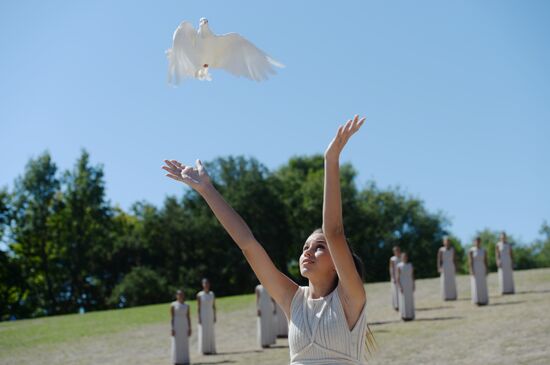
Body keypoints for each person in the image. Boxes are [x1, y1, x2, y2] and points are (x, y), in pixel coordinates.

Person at [162, 115, 374, 364]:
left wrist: (331, 159)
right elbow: (248, 244)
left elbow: (334, 232)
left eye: (319, 247)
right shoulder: (292, 299)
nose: (307, 251)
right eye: (305, 246)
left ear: (339, 259)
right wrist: (207, 190)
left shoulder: (350, 297)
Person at [170, 290, 191, 365]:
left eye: (182, 294)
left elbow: (188, 317)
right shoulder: (173, 305)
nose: (181, 296)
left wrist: (189, 328)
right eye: (179, 295)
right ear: (176, 296)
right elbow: (172, 317)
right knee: (177, 342)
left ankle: (184, 360)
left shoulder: (187, 305)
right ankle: (176, 360)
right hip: (177, 324)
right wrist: (172, 328)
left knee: (184, 342)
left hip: (184, 324)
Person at [197, 278, 216, 354]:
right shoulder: (199, 295)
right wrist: (199, 317)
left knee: (210, 331)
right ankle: (204, 350)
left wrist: (215, 315)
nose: (206, 285)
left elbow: (214, 306)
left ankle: (211, 348)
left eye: (207, 283)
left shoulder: (212, 294)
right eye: (205, 283)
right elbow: (198, 307)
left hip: (210, 314)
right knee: (203, 331)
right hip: (203, 314)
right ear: (202, 285)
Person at [469, 237, 489, 305]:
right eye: (476, 241)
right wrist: (471, 270)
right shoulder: (471, 250)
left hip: (482, 267)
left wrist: (486, 269)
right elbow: (470, 261)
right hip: (475, 267)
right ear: (474, 242)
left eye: (479, 241)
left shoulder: (484, 250)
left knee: (482, 284)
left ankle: (483, 300)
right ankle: (476, 300)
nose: (477, 243)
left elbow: (485, 260)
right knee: (475, 284)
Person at [396, 252, 415, 321]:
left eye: (406, 257)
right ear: (401, 258)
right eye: (403, 257)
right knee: (403, 300)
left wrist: (413, 284)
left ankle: (410, 315)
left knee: (410, 300)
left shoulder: (410, 265)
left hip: (409, 283)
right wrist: (400, 286)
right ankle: (404, 316)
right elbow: (397, 277)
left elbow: (412, 275)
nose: (405, 258)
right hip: (403, 284)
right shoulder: (399, 266)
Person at [437, 236, 457, 300]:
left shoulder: (452, 249)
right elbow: (439, 259)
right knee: (444, 281)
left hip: (451, 265)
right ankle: (445, 296)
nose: (447, 242)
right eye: (446, 241)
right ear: (444, 242)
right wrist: (439, 267)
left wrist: (455, 266)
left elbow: (454, 259)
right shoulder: (441, 250)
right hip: (444, 266)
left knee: (451, 281)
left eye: (448, 241)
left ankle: (452, 296)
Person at [389, 246, 402, 311]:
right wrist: (393, 277)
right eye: (395, 251)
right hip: (395, 277)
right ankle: (396, 306)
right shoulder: (392, 259)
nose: (397, 252)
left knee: (400, 291)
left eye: (398, 250)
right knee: (395, 292)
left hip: (401, 278)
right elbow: (391, 269)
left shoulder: (402, 257)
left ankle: (401, 304)